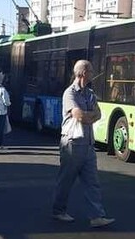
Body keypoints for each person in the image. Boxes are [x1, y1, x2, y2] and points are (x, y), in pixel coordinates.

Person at [52, 59, 115, 228]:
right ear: (83, 73)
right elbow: (78, 115)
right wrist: (88, 116)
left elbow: (98, 114)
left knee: (92, 181)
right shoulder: (69, 93)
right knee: (66, 179)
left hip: (87, 144)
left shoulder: (89, 93)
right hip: (72, 143)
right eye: (91, 71)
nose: (93, 74)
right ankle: (59, 211)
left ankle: (97, 216)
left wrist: (87, 116)